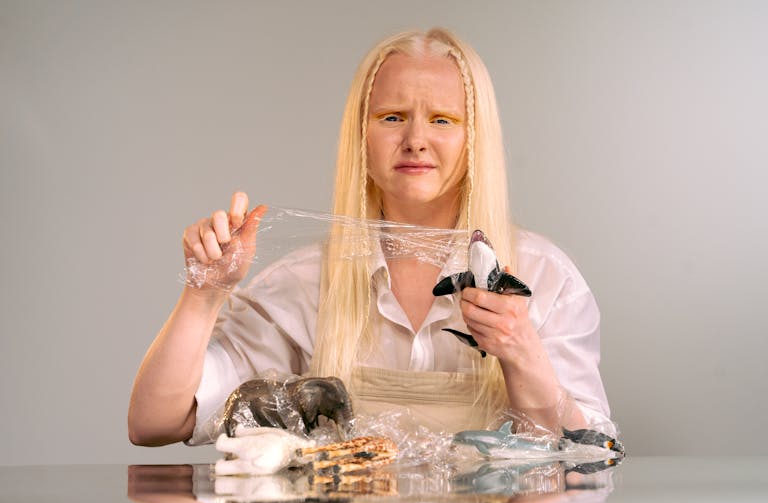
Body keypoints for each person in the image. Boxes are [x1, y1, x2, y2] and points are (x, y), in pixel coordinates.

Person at [128, 28, 611, 447]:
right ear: (362, 134)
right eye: (392, 117)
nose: (416, 139)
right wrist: (204, 293)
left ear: (474, 137)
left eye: (443, 119)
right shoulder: (305, 283)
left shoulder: (544, 278)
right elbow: (156, 422)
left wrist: (523, 352)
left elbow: (592, 452)